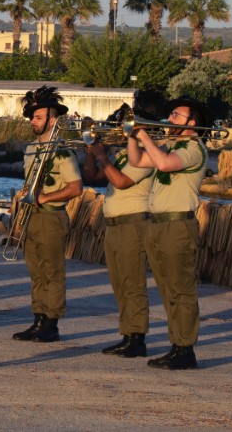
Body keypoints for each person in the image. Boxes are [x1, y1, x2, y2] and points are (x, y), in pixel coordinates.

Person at [126, 97, 211, 370]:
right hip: (158, 225)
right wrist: (132, 134)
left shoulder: (193, 149)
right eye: (171, 113)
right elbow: (137, 160)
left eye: (176, 115)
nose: (169, 118)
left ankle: (185, 349)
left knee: (181, 290)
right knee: (166, 289)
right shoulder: (173, 144)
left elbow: (163, 164)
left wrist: (143, 134)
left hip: (177, 226)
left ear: (192, 123)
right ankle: (177, 344)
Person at [81, 103, 156, 359]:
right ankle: (127, 334)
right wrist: (92, 149)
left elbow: (121, 182)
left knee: (132, 283)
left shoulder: (148, 154)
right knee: (119, 283)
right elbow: (92, 176)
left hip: (133, 223)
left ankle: (137, 338)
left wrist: (103, 156)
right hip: (116, 225)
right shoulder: (126, 155)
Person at [12, 85, 82, 344]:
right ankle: (38, 319)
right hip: (31, 216)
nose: (33, 121)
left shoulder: (62, 151)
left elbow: (76, 188)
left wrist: (45, 197)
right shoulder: (30, 149)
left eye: (38, 117)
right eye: (32, 117)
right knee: (36, 271)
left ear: (52, 120)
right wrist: (20, 214)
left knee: (52, 271)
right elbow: (27, 185)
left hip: (51, 216)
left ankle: (51, 323)